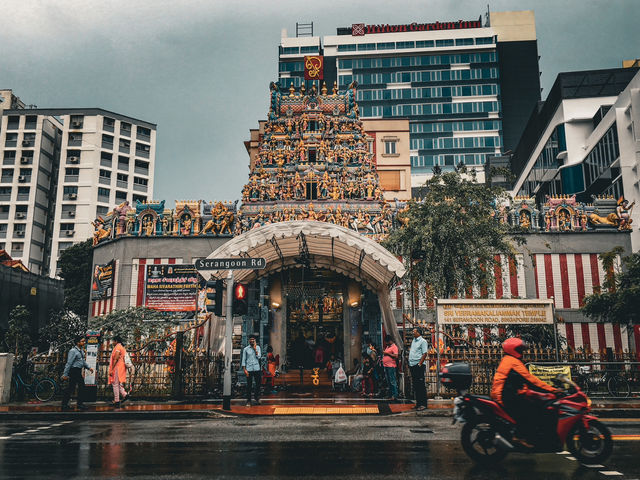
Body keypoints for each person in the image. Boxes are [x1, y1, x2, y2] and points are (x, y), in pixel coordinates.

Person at [491, 337, 558, 448]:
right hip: (505, 396)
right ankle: (519, 436)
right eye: (520, 349)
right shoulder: (512, 362)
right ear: (514, 349)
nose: (522, 352)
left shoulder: (509, 360)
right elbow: (531, 380)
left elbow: (523, 381)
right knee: (530, 411)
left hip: (507, 393)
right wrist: (552, 390)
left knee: (531, 403)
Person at [61, 336, 94, 411]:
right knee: (74, 387)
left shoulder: (81, 350)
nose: (84, 342)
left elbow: (82, 361)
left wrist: (89, 367)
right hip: (74, 371)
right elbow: (69, 363)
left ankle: (77, 404)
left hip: (78, 370)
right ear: (78, 343)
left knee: (75, 387)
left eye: (84, 341)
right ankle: (67, 404)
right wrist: (65, 374)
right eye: (82, 341)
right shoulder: (73, 351)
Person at [408, 327, 429, 410]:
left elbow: (424, 353)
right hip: (412, 365)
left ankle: (423, 404)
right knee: (416, 385)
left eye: (414, 331)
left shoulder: (423, 341)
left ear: (418, 333)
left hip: (418, 365)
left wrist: (420, 363)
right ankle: (418, 403)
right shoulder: (414, 340)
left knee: (421, 385)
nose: (413, 332)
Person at [108, 335, 130, 408]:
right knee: (117, 383)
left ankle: (117, 401)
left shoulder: (117, 347)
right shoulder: (121, 347)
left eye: (113, 341)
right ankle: (125, 395)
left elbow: (116, 358)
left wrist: (112, 369)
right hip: (120, 368)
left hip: (117, 368)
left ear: (116, 341)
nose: (112, 342)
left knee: (115, 384)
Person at [241, 335, 262, 406]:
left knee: (258, 384)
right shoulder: (246, 349)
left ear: (255, 340)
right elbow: (243, 359)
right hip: (249, 369)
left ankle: (256, 396)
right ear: (249, 340)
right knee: (249, 385)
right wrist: (244, 370)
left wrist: (255, 349)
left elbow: (259, 357)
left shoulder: (258, 348)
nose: (252, 341)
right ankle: (248, 400)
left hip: (256, 368)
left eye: (253, 339)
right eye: (251, 339)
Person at [382, 335, 399, 400]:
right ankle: (390, 395)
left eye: (387, 342)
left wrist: (387, 353)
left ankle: (394, 395)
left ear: (390, 341)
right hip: (386, 366)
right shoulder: (388, 347)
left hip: (391, 366)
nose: (386, 343)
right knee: (388, 381)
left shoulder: (394, 347)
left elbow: (396, 356)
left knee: (392, 381)